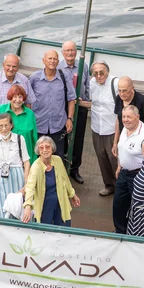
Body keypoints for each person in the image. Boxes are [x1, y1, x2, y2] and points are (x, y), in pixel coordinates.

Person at [78, 60, 119, 196]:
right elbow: (94, 104)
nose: (99, 75)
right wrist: (79, 103)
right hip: (97, 127)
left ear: (107, 71)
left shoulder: (115, 83)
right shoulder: (92, 83)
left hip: (112, 128)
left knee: (115, 158)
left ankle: (121, 187)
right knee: (101, 157)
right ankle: (109, 185)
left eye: (102, 72)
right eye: (95, 73)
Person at [112, 105, 144, 234]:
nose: (125, 120)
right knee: (118, 203)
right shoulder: (125, 129)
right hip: (124, 173)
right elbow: (122, 148)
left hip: (138, 175)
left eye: (129, 117)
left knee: (138, 206)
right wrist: (119, 166)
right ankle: (120, 230)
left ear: (137, 117)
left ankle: (137, 233)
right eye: (124, 117)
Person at [22, 136, 81, 226]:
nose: (45, 150)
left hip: (60, 202)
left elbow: (65, 179)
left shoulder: (57, 160)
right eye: (41, 148)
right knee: (46, 231)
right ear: (38, 150)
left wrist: (72, 195)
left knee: (63, 228)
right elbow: (30, 187)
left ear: (52, 148)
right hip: (45, 205)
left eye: (47, 147)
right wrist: (27, 206)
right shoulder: (36, 166)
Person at [29, 50, 76, 157]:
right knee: (38, 157)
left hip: (58, 126)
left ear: (58, 61)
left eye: (55, 59)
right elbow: (27, 100)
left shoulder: (64, 77)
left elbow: (71, 99)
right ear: (43, 61)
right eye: (49, 58)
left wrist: (69, 118)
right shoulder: (34, 78)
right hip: (38, 125)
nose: (52, 61)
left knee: (58, 157)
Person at [0, 85, 38, 165]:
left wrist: (35, 160)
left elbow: (34, 138)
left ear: (23, 99)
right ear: (10, 98)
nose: (17, 100)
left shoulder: (30, 114)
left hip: (25, 157)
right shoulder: (0, 110)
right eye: (15, 97)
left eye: (20, 97)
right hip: (3, 158)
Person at [58, 40, 90, 184]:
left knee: (79, 138)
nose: (70, 53)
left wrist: (87, 100)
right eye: (67, 50)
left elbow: (87, 84)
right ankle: (62, 167)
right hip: (64, 107)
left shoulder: (83, 66)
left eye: (73, 50)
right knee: (63, 136)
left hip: (80, 105)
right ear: (62, 52)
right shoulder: (58, 68)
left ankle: (74, 169)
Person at [112, 76, 144, 157]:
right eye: (119, 91)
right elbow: (118, 120)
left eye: (125, 91)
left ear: (132, 88)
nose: (122, 94)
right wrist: (115, 143)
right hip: (124, 136)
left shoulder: (141, 101)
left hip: (139, 139)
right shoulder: (119, 98)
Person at [0, 54, 36, 126]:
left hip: (18, 122)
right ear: (3, 65)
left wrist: (28, 123)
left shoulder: (24, 80)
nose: (11, 69)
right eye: (8, 65)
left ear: (18, 67)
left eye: (14, 66)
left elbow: (28, 103)